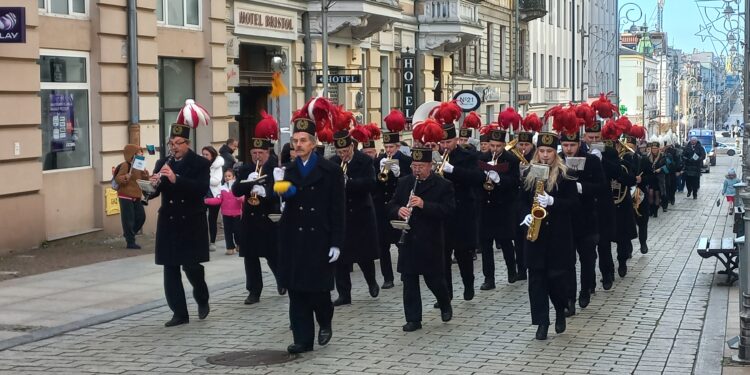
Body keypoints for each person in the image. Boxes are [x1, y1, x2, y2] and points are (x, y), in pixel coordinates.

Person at [274, 113, 345, 354]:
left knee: (318, 292)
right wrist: (280, 189)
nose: (298, 144)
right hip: (295, 237)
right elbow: (286, 200)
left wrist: (336, 242)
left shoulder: (330, 170)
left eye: (303, 140)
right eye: (295, 140)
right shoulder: (290, 169)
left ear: (313, 143)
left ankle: (325, 321)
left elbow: (338, 209)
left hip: (319, 237)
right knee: (296, 291)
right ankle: (303, 339)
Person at [149, 121, 211, 327]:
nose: (174, 147)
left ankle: (202, 297)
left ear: (188, 143)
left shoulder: (200, 163)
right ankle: (179, 312)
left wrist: (177, 179)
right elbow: (154, 192)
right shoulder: (163, 163)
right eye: (171, 143)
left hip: (191, 220)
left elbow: (201, 189)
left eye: (178, 143)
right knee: (170, 267)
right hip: (169, 219)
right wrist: (150, 186)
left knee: (191, 265)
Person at [519, 132, 579, 340]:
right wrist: (524, 215)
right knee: (536, 282)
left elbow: (574, 204)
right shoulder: (528, 172)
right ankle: (541, 323)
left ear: (556, 152)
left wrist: (553, 202)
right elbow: (519, 201)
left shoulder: (567, 174)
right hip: (535, 237)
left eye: (549, 152)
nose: (545, 156)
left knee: (556, 280)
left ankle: (560, 310)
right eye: (542, 151)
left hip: (558, 237)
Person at [388, 146, 455, 332]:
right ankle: (413, 319)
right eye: (414, 165)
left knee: (434, 279)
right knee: (409, 280)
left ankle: (444, 302)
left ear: (430, 166)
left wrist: (425, 204)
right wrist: (398, 210)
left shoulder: (443, 185)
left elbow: (449, 210)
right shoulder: (404, 182)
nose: (416, 169)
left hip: (430, 239)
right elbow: (392, 204)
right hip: (408, 239)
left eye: (421, 166)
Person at [233, 130, 284, 305]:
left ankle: (281, 279)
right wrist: (247, 183)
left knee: (273, 254)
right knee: (250, 256)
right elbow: (235, 191)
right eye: (254, 153)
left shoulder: (274, 168)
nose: (257, 156)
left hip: (269, 217)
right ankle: (254, 291)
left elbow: (280, 194)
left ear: (267, 153)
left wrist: (266, 191)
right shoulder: (247, 168)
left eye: (260, 153)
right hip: (250, 218)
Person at [330, 129, 381, 306]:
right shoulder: (333, 162)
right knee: (340, 258)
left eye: (346, 151)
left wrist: (348, 182)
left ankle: (372, 282)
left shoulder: (365, 160)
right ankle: (344, 294)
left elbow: (370, 184)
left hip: (361, 213)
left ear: (352, 146)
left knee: (364, 254)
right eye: (340, 152)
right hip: (341, 214)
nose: (343, 155)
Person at [438, 122, 485, 302]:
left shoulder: (468, 156)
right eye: (442, 143)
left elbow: (477, 178)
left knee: (463, 253)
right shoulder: (436, 156)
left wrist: (453, 170)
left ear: (456, 140)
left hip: (463, 210)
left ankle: (468, 285)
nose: (445, 146)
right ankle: (446, 293)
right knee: (443, 255)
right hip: (444, 211)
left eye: (448, 142)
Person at [559, 131, 605, 311]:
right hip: (566, 219)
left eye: (571, 145)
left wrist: (581, 187)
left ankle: (585, 290)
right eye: (565, 145)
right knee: (567, 261)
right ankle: (569, 299)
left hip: (586, 218)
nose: (568, 149)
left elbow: (601, 187)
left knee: (587, 259)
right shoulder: (557, 160)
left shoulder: (592, 161)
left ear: (578, 144)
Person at [478, 128, 520, 289]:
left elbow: (515, 182)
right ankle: (489, 279)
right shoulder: (482, 158)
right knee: (486, 244)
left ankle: (512, 270)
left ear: (503, 145)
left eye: (498, 146)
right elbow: (475, 179)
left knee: (506, 241)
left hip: (503, 206)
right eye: (492, 146)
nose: (494, 149)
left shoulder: (511, 159)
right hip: (486, 206)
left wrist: (499, 179)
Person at [373, 120, 411, 289]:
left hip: (399, 206)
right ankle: (387, 277)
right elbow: (373, 184)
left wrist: (399, 173)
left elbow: (411, 182)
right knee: (382, 244)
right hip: (382, 206)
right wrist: (378, 173)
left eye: (392, 147)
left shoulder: (406, 160)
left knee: (401, 241)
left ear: (397, 146)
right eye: (386, 147)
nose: (388, 150)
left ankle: (404, 271)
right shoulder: (379, 160)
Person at [114, 144, 150, 249]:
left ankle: (129, 234)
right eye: (139, 152)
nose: (141, 154)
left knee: (141, 217)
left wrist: (146, 174)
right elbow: (117, 179)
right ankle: (130, 242)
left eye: (141, 152)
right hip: (125, 195)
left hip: (136, 195)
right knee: (128, 219)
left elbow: (143, 181)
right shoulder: (126, 165)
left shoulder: (139, 165)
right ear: (132, 154)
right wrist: (126, 176)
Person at [204, 169, 242, 255]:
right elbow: (218, 200)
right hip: (225, 214)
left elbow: (242, 198)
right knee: (227, 232)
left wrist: (239, 197)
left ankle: (239, 244)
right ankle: (230, 248)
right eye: (225, 176)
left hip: (236, 213)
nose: (227, 178)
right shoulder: (222, 188)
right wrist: (207, 201)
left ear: (234, 177)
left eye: (229, 176)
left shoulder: (237, 187)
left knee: (237, 231)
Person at [201, 146, 224, 252]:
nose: (205, 156)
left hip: (214, 195)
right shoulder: (200, 164)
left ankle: (212, 242)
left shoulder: (217, 166)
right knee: (201, 218)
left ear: (212, 155)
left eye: (207, 155)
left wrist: (204, 177)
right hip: (202, 194)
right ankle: (203, 241)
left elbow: (216, 181)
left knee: (212, 219)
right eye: (203, 154)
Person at [646, 142, 666, 217]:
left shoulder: (663, 156)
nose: (654, 150)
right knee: (650, 193)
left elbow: (668, 167)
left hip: (659, 178)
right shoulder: (648, 156)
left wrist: (660, 169)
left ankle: (655, 210)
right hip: (650, 177)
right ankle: (651, 209)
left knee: (657, 194)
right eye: (653, 148)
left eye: (655, 148)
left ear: (658, 149)